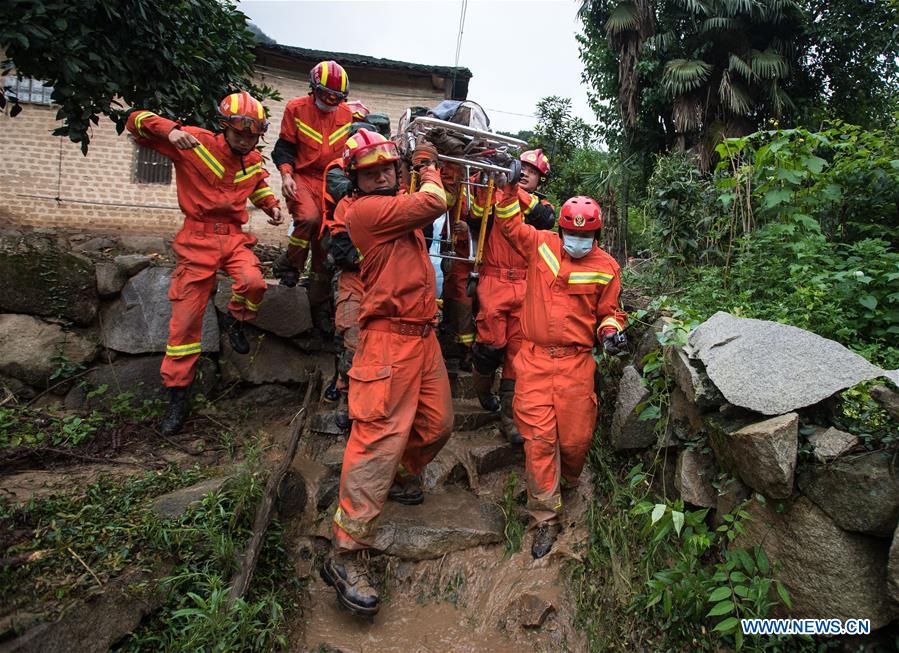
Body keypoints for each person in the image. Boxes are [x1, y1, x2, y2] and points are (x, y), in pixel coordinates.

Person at [320, 131, 452, 616]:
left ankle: (399, 477)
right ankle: (346, 554)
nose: (380, 177)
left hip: (422, 337)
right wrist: (428, 163)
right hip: (387, 341)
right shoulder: (366, 212)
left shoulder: (397, 205)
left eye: (387, 169)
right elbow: (434, 200)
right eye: (369, 172)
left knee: (438, 425)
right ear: (356, 180)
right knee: (375, 442)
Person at [125, 92, 283, 436]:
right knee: (184, 325)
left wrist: (270, 204)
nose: (245, 141)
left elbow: (257, 185)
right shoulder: (193, 142)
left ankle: (235, 321)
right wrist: (170, 131)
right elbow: (136, 121)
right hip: (197, 239)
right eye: (239, 134)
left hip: (234, 237)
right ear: (224, 126)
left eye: (252, 136)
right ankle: (177, 397)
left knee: (253, 283)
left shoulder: (253, 159)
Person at [492, 192, 627, 559]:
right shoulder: (541, 245)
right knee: (538, 442)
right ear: (561, 229)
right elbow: (508, 225)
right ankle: (545, 517)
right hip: (534, 362)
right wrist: (509, 190)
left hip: (576, 365)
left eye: (585, 235)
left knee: (575, 441)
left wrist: (611, 333)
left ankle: (567, 482)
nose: (577, 240)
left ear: (596, 234)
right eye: (571, 233)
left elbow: (610, 312)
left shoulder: (606, 267)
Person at [466, 149, 555, 444]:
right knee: (490, 347)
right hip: (495, 279)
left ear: (540, 179)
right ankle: (482, 390)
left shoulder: (540, 205)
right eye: (523, 167)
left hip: (527, 284)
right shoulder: (495, 194)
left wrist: (513, 186)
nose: (527, 172)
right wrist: (491, 181)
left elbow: (545, 219)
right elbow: (475, 217)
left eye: (533, 171)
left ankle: (509, 419)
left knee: (518, 355)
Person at [272, 60, 353, 331]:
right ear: (313, 88)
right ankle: (291, 265)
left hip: (332, 180)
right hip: (303, 176)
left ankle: (318, 305)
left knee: (325, 240)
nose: (329, 102)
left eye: (336, 98)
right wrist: (286, 175)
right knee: (308, 218)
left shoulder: (348, 116)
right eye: (325, 95)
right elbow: (284, 148)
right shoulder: (295, 109)